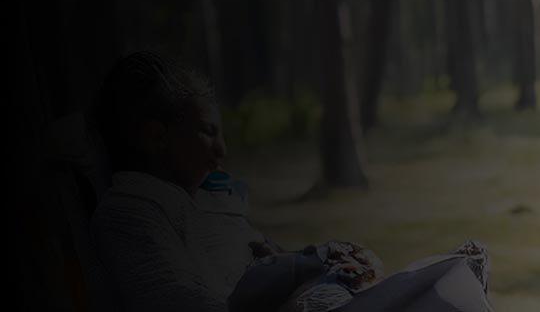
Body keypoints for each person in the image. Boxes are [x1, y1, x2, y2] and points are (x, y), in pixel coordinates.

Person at [88, 51, 492, 312]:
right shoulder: (133, 212)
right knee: (451, 287)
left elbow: (264, 259)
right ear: (155, 136)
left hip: (322, 299)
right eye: (207, 133)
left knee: (454, 284)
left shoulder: (203, 202)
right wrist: (303, 267)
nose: (221, 150)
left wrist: (324, 260)